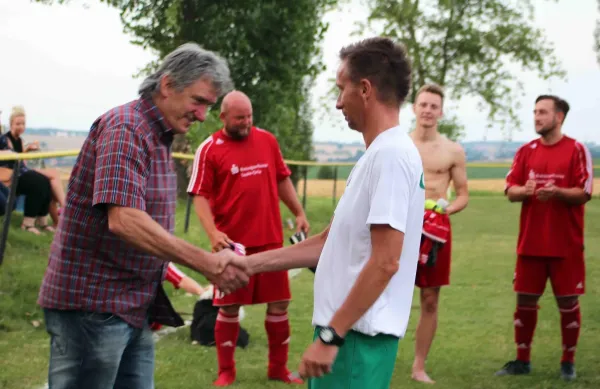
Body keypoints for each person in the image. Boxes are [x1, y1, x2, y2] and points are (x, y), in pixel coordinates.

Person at [36, 42, 250, 389]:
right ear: (167, 86)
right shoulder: (127, 129)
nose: (202, 115)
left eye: (209, 106)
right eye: (198, 102)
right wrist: (205, 262)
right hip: (95, 307)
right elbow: (124, 219)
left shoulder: (156, 135)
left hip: (131, 305)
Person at [243, 36, 425, 389]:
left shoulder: (390, 157)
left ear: (366, 89)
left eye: (342, 89)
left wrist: (331, 337)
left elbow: (386, 261)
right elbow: (329, 241)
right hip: (347, 333)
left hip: (356, 338)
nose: (339, 102)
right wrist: (249, 265)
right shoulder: (377, 155)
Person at [187, 90, 310, 386]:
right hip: (233, 247)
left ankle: (277, 369)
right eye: (240, 118)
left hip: (270, 242)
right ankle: (226, 371)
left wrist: (299, 211)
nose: (246, 123)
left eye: (249, 117)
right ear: (224, 117)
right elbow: (199, 195)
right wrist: (213, 232)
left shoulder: (267, 140)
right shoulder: (209, 148)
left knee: (279, 303)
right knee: (229, 308)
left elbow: (281, 179)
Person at [495, 95, 593, 381]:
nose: (536, 117)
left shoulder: (576, 149)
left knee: (567, 302)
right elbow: (509, 189)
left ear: (559, 116)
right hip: (531, 242)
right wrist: (523, 192)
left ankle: (568, 362)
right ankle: (522, 360)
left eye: (543, 112)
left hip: (565, 245)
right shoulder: (526, 151)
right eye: (535, 112)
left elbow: (585, 191)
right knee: (525, 300)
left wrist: (558, 192)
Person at [407, 83, 469, 384]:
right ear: (414, 108)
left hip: (435, 231)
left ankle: (419, 366)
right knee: (380, 291)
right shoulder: (400, 144)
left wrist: (446, 208)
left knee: (430, 300)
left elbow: (463, 195)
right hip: (401, 228)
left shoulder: (452, 150)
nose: (428, 110)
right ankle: (371, 354)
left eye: (434, 106)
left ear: (441, 112)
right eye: (423, 105)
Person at [1, 106, 66, 226]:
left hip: (20, 171)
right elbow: (12, 158)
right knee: (47, 177)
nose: (21, 127)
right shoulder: (5, 139)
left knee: (48, 181)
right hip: (12, 175)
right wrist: (26, 151)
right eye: (18, 124)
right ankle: (64, 207)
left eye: (23, 124)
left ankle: (46, 220)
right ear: (11, 124)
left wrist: (27, 150)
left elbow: (20, 160)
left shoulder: (19, 140)